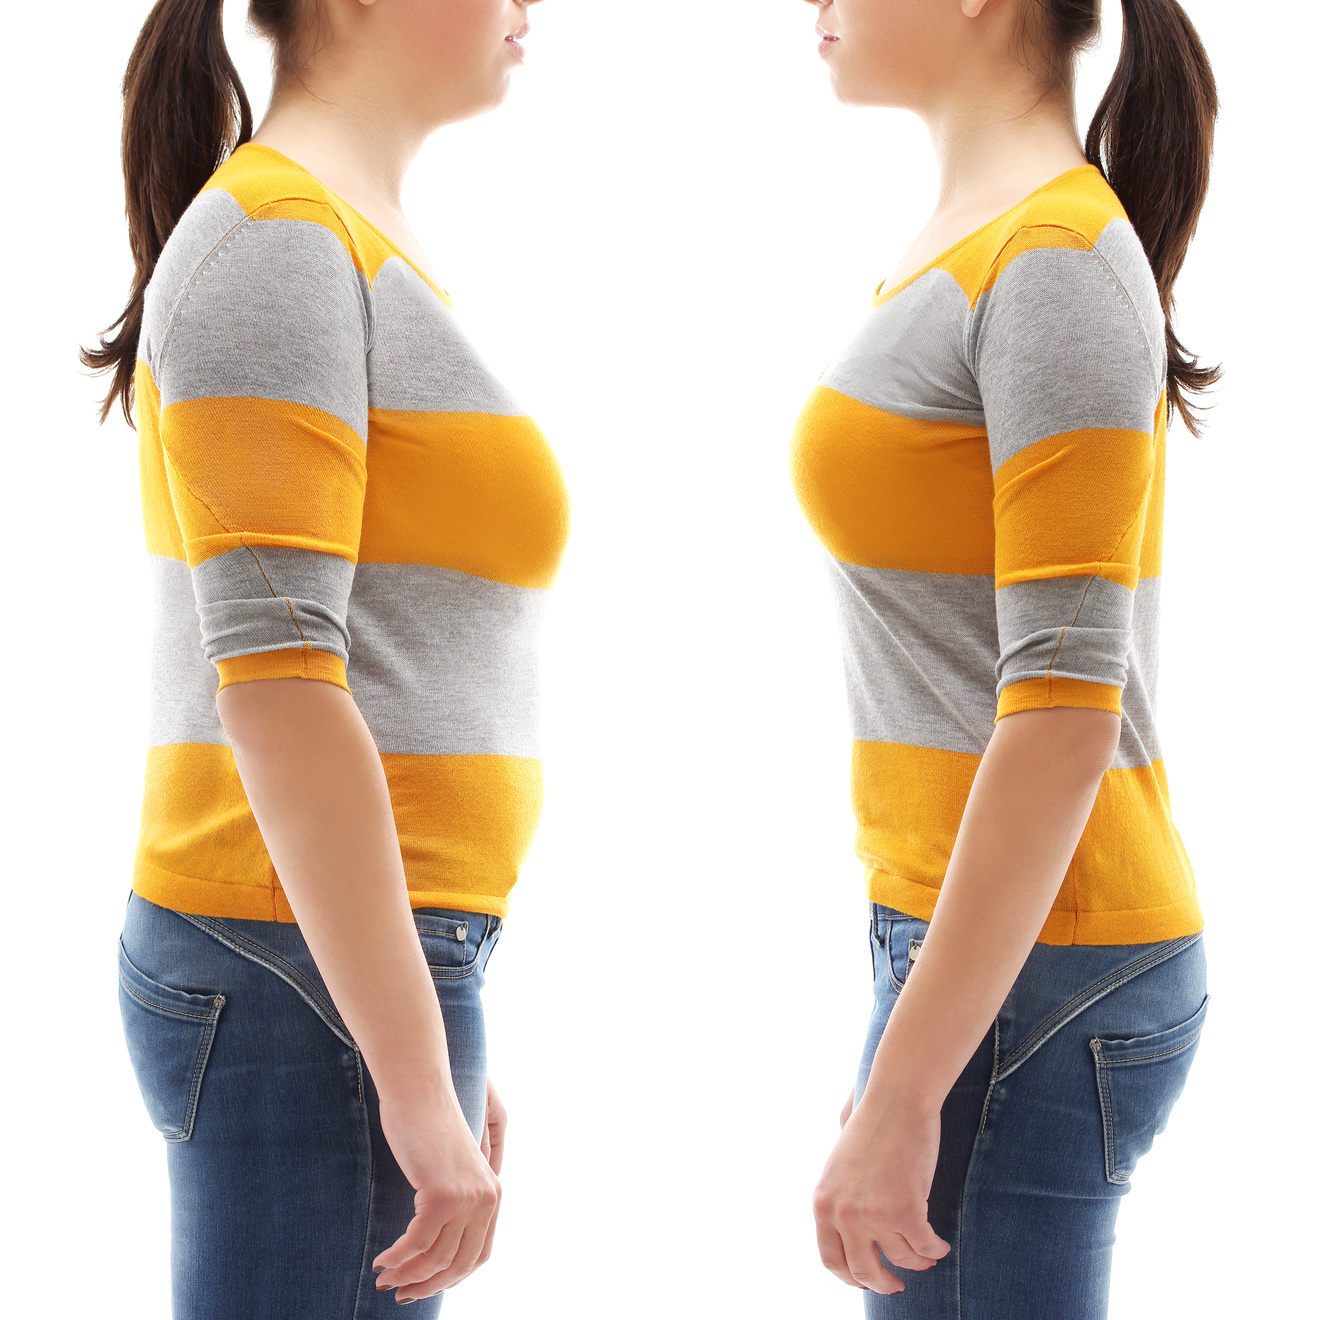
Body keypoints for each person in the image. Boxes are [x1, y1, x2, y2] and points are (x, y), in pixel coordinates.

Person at [83, 0, 564, 1314]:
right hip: (287, 968)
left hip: (326, 970)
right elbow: (284, 695)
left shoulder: (329, 233)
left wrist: (416, 1022)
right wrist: (407, 1072)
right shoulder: (280, 244)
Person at [790, 0, 1216, 1314]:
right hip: (982, 941)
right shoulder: (990, 240)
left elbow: (1064, 716)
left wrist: (910, 1085)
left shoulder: (1055, 258)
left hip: (1049, 964)